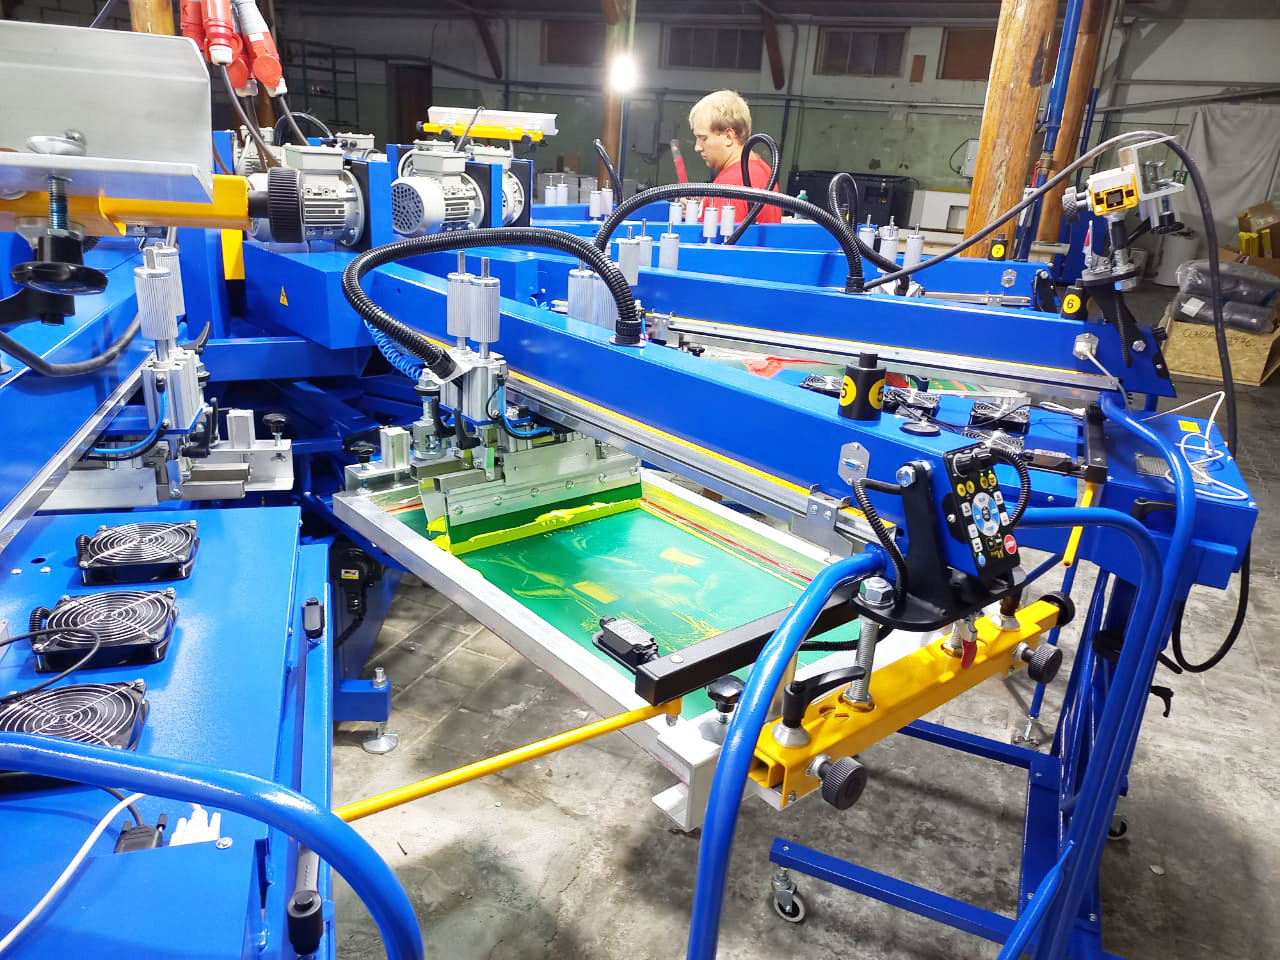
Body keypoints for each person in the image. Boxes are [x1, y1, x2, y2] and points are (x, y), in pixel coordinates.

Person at [687, 89, 782, 226]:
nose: (697, 147)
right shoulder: (762, 169)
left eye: (703, 138)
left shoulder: (730, 186)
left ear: (728, 136)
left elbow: (720, 239)